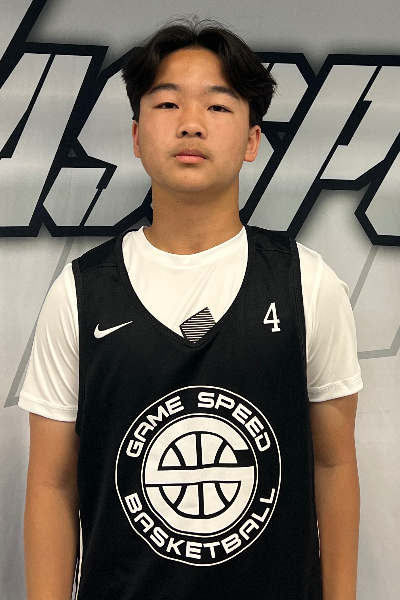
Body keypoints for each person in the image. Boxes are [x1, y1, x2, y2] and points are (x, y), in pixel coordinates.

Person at [19, 17, 362, 600]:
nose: (191, 123)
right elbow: (52, 484)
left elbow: (334, 467)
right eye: (168, 103)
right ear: (136, 136)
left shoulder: (307, 283)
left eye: (219, 106)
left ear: (252, 141)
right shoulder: (80, 292)